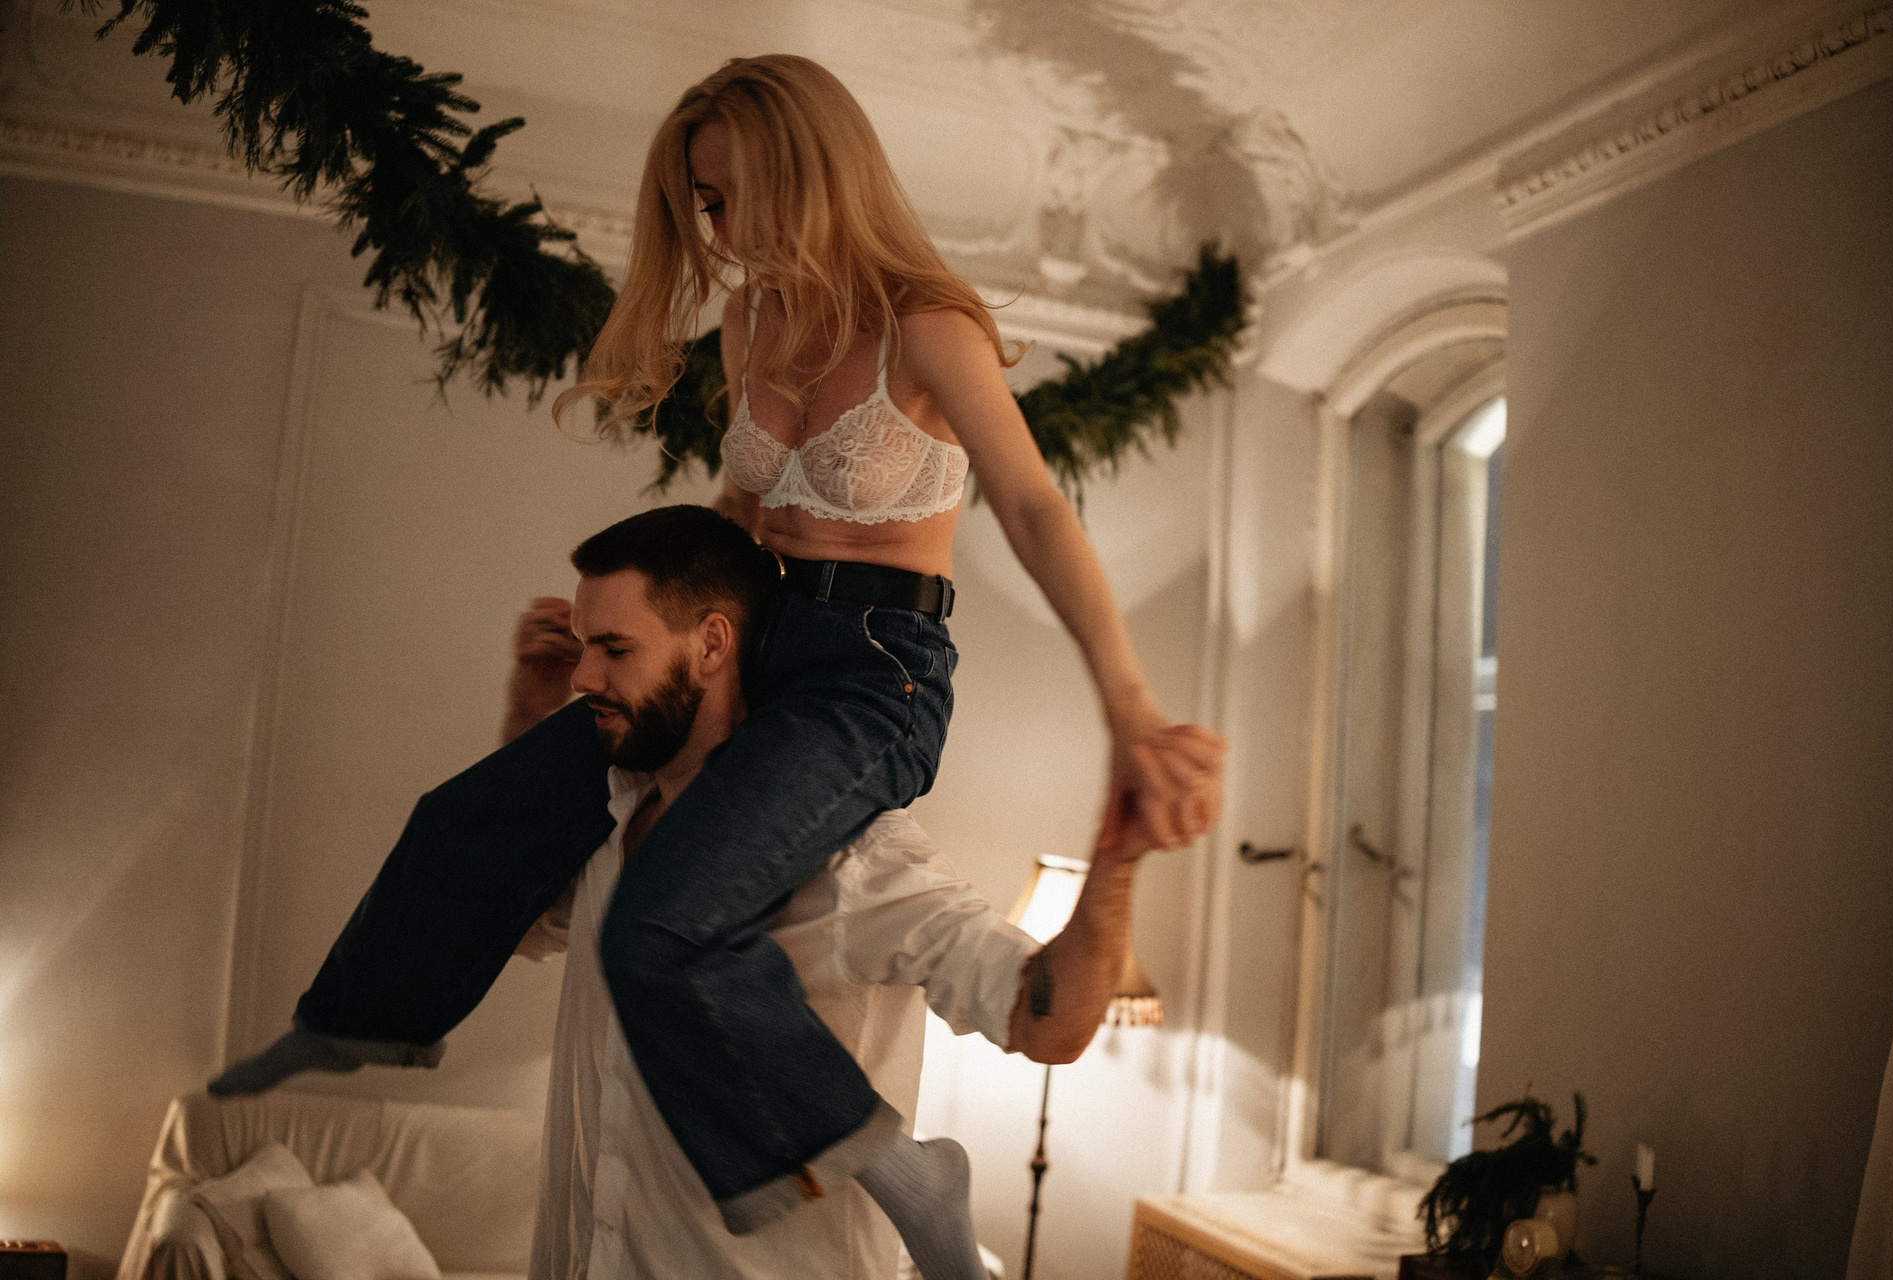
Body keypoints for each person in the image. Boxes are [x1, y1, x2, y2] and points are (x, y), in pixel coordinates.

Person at [212, 55, 1225, 1280]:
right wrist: (633, 628)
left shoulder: (926, 327)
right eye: (705, 203)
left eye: (739, 195)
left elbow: (1034, 506)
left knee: (666, 916)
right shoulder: (751, 322)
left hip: (871, 674)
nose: (725, 230)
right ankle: (349, 1021)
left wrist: (1129, 704)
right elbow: (740, 517)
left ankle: (909, 1175)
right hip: (752, 635)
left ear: (816, 172)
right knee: (473, 811)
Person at [510, 514, 1167, 1280]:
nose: (584, 677)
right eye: (584, 647)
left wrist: (1118, 859)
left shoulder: (859, 862)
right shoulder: (613, 812)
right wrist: (527, 713)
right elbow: (518, 925)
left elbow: (1050, 1025)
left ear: (713, 645)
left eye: (615, 649)